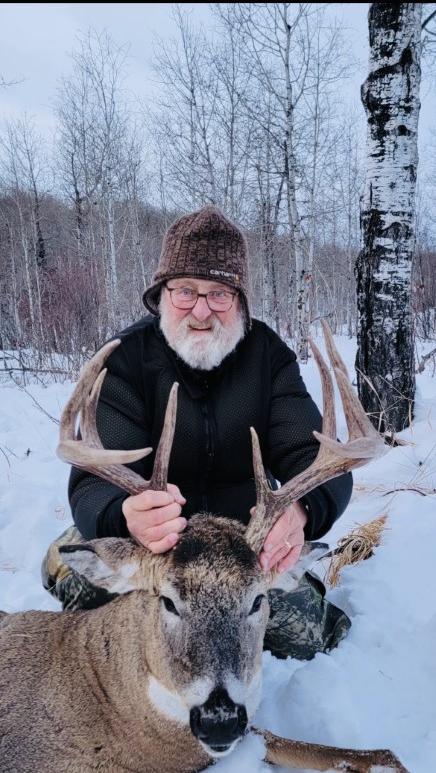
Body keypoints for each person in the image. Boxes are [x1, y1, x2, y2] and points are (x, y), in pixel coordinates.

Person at [42, 205, 352, 659]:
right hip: (155, 547)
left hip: (242, 546)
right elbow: (92, 480)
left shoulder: (267, 356)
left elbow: (316, 454)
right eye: (186, 291)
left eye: (219, 293)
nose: (201, 311)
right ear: (161, 295)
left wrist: (301, 510)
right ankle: (65, 551)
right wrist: (123, 514)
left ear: (240, 300)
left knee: (306, 635)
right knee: (87, 598)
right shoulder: (126, 359)